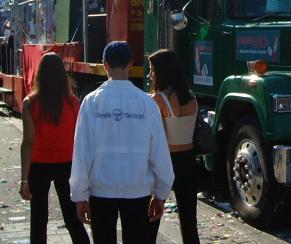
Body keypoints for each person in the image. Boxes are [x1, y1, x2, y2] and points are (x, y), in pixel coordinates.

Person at [70, 41, 174, 244]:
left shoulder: (91, 102)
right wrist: (161, 193)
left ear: (104, 64)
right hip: (138, 189)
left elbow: (82, 152)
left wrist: (79, 195)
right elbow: (159, 151)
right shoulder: (147, 103)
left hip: (101, 190)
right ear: (131, 64)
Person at [19, 53, 90, 244]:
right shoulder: (73, 103)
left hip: (38, 165)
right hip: (67, 164)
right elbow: (79, 139)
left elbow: (28, 142)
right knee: (72, 217)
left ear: (40, 74)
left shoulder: (30, 103)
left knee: (38, 219)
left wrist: (24, 179)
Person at [148, 49, 200, 244]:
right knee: (189, 222)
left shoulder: (157, 99)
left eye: (152, 70)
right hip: (189, 161)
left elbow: (156, 138)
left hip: (166, 161)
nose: (150, 74)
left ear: (162, 72)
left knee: (152, 217)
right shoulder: (192, 98)